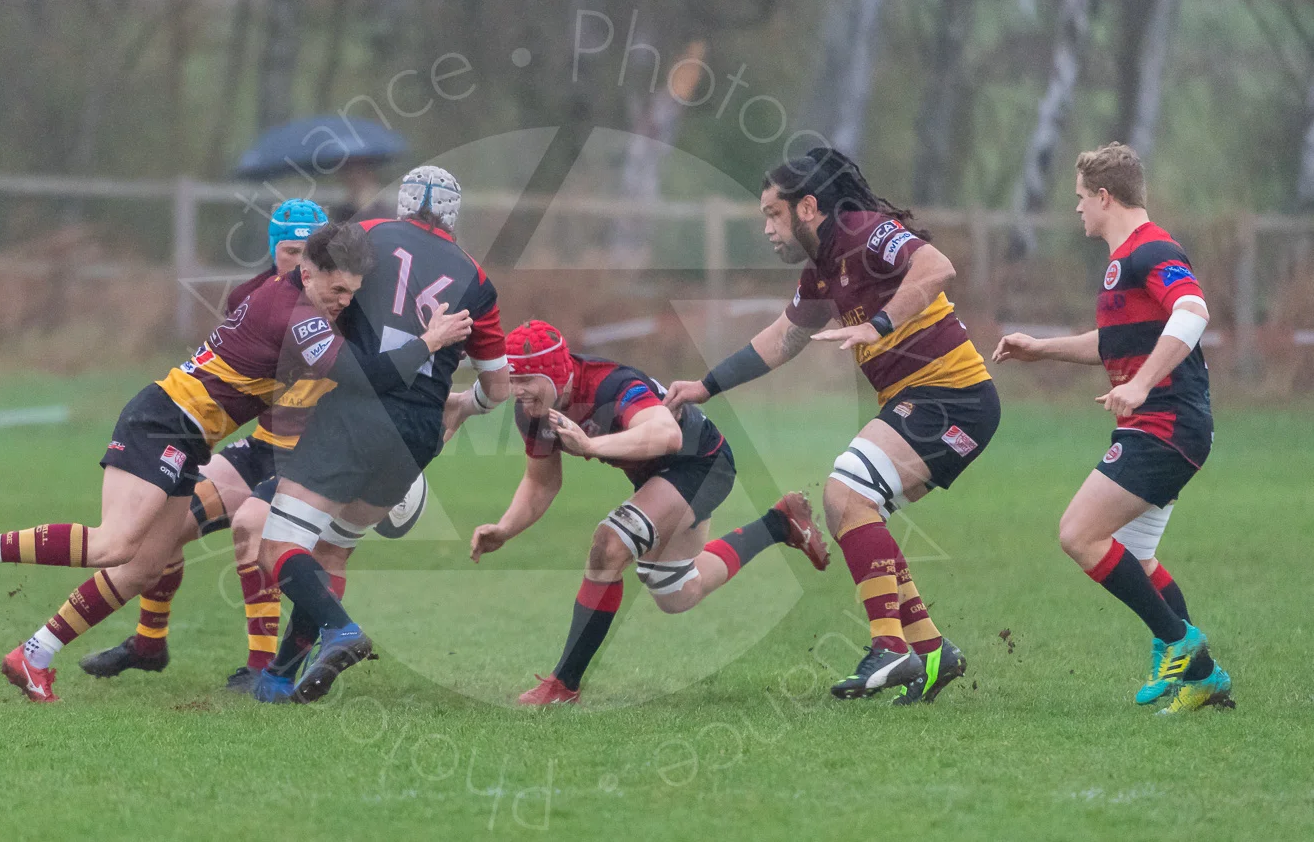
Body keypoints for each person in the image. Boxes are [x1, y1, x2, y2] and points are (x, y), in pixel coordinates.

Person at [0, 221, 474, 702]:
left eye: (352, 293)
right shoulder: (295, 312)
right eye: (337, 290)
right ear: (308, 272)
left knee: (144, 565)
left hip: (190, 436)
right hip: (163, 420)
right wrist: (428, 341)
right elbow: (361, 378)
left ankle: (34, 656)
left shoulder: (297, 300)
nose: (343, 302)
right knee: (114, 544)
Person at [666, 147, 999, 704]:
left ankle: (891, 650)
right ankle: (933, 650)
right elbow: (782, 339)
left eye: (774, 214)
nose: (767, 228)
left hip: (952, 396)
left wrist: (881, 323)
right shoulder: (821, 272)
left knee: (846, 490)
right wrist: (706, 386)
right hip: (924, 400)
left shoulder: (864, 232)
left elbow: (937, 267)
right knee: (857, 507)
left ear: (808, 208)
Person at [249, 166, 511, 705]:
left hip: (355, 409)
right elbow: (499, 387)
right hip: (417, 434)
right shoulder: (478, 281)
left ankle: (340, 630)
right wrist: (465, 406)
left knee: (278, 547)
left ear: (403, 202)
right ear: (455, 215)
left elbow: (320, 284)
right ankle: (279, 677)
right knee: (332, 553)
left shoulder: (368, 234)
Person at [469, 320, 828, 705]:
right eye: (513, 380)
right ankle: (777, 524)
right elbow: (542, 484)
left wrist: (591, 443)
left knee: (608, 545)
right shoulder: (533, 412)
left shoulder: (611, 385)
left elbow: (668, 435)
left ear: (556, 371)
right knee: (676, 594)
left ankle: (563, 684)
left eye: (526, 380)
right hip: (658, 476)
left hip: (701, 465)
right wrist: (505, 528)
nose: (516, 392)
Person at [992, 142, 1230, 713]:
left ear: (1105, 196)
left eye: (1079, 198)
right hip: (1152, 424)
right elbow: (1115, 343)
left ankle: (1179, 641)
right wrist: (1039, 350)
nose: (1075, 209)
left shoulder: (1153, 250)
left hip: (1168, 423)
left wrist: (1143, 383)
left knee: (1079, 534)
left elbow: (1192, 310)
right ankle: (1203, 680)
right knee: (1135, 555)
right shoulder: (1123, 259)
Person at [77, 198, 327, 692]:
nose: (299, 263)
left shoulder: (340, 300)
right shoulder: (255, 299)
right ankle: (149, 642)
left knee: (250, 532)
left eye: (310, 251)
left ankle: (260, 667)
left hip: (310, 458)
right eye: (289, 250)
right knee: (163, 526)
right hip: (261, 448)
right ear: (274, 249)